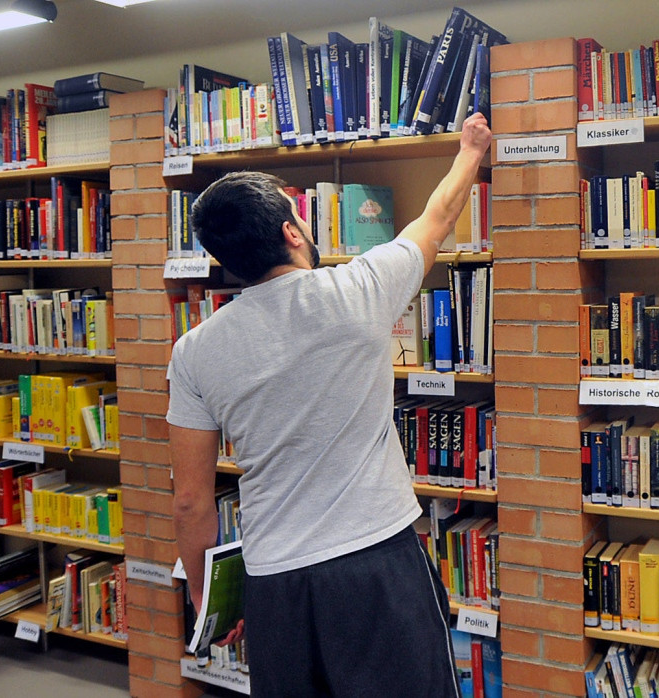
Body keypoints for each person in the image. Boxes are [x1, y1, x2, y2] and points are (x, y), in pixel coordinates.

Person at [168, 113, 492, 697]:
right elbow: (438, 217)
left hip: (274, 583)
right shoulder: (358, 290)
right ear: (293, 233)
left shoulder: (193, 353)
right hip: (377, 567)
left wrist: (202, 594)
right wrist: (470, 150)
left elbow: (191, 501)